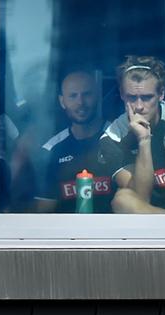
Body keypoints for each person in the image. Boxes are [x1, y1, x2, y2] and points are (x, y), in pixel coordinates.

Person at [99, 55, 165, 213]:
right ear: (122, 94)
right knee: (122, 199)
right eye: (131, 97)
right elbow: (141, 198)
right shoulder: (112, 137)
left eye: (146, 97)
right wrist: (143, 140)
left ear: (161, 93)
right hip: (149, 219)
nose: (139, 106)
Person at [35, 70, 115, 213]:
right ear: (62, 101)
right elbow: (44, 210)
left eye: (87, 94)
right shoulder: (51, 149)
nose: (80, 102)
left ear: (97, 96)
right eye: (73, 96)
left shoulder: (118, 137)